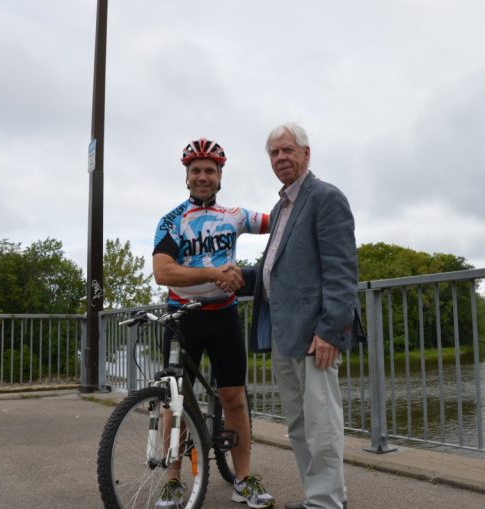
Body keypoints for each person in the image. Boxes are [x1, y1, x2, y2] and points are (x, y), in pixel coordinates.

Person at [152, 137, 275, 509]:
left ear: (220, 176)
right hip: (182, 319)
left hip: (223, 317)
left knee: (233, 398)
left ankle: (243, 479)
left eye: (210, 171)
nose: (202, 177)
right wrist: (211, 272)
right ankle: (173, 482)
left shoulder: (234, 216)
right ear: (187, 177)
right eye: (196, 171)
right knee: (175, 405)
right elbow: (162, 271)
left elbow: (281, 223)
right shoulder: (172, 220)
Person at [249, 123, 358, 509]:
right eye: (274, 154)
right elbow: (276, 270)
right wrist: (233, 278)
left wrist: (331, 329)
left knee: (321, 424)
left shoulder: (326, 198)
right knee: (298, 425)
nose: (280, 158)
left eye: (287, 150)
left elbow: (342, 272)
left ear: (306, 154)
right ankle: (323, 497)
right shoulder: (281, 207)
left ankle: (325, 503)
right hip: (284, 332)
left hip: (316, 335)